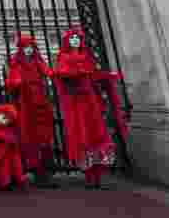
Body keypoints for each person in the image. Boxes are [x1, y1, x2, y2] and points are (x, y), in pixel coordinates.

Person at [53, 27, 127, 189]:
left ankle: (98, 176)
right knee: (83, 134)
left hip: (91, 101)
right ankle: (89, 176)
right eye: (72, 39)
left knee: (96, 133)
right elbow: (61, 75)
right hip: (77, 101)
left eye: (78, 38)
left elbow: (93, 75)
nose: (75, 41)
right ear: (67, 41)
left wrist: (107, 76)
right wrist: (78, 73)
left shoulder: (86, 56)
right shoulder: (64, 57)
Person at [6, 33, 58, 188]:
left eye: (31, 47)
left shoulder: (38, 61)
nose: (28, 50)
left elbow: (49, 72)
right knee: (29, 137)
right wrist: (15, 82)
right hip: (26, 104)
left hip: (41, 103)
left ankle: (45, 172)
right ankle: (35, 172)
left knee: (45, 137)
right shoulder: (16, 64)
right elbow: (11, 82)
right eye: (25, 47)